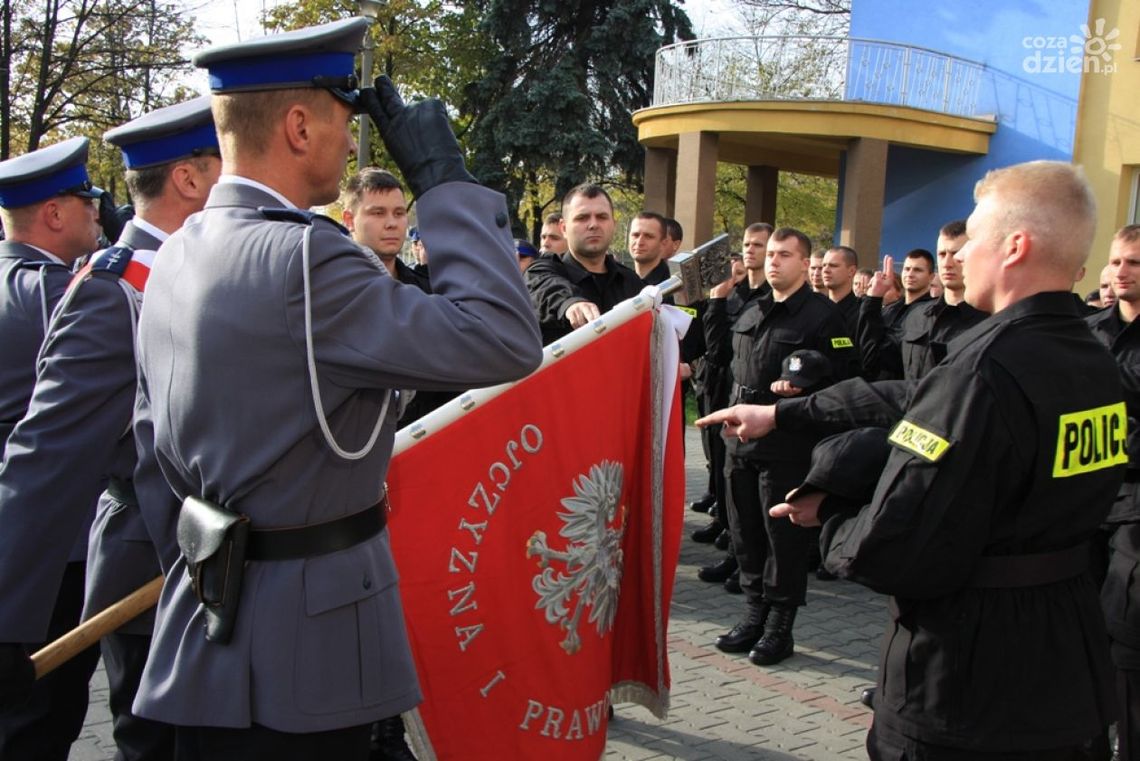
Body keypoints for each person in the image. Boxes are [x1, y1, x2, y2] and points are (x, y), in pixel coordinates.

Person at [129, 19, 542, 760]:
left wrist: (208, 575)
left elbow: (147, 443)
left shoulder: (178, 250)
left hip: (204, 622)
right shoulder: (308, 259)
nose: (353, 137)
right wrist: (444, 176)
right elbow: (505, 337)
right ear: (297, 125)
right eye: (344, 118)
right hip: (309, 650)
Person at [700, 160, 1122, 759]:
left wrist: (833, 517)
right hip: (1064, 657)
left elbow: (892, 547)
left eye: (973, 237)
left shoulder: (984, 371)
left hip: (967, 676)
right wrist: (784, 415)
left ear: (1014, 247)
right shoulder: (1093, 358)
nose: (961, 253)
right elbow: (910, 396)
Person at [703, 226, 855, 666]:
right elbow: (730, 364)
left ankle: (780, 625)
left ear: (805, 264)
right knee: (745, 532)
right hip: (740, 440)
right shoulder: (751, 309)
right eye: (770, 254)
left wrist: (804, 389)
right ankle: (753, 613)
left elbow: (844, 377)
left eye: (785, 254)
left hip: (787, 443)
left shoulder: (824, 317)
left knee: (781, 539)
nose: (773, 261)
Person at [0, 137, 103, 761]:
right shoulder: (58, 294)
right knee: (41, 724)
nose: (99, 212)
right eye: (86, 201)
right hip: (52, 552)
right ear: (55, 214)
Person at [1089, 224, 1140, 761]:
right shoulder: (1088, 332)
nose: (1121, 272)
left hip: (1135, 514)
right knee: (1082, 632)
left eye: (1134, 264)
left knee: (1126, 640)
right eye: (1117, 261)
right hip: (1085, 508)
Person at [524, 183, 642, 343]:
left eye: (602, 217)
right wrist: (570, 303)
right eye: (582, 218)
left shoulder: (632, 284)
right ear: (564, 228)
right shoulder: (542, 272)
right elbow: (544, 289)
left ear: (613, 224)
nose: (593, 224)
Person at [896, 221, 987, 381]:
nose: (947, 263)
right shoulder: (917, 316)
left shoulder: (990, 321)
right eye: (942, 254)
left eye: (957, 254)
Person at [858, 249, 937, 379]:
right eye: (907, 269)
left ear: (931, 277)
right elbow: (867, 350)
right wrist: (873, 298)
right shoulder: (889, 310)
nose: (910, 274)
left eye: (918, 270)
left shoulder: (932, 312)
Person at [821, 245, 860, 337]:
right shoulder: (815, 307)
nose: (825, 270)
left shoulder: (861, 313)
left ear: (851, 271)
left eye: (833, 266)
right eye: (824, 265)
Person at [628, 210, 671, 282]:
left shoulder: (673, 286)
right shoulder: (620, 282)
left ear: (663, 243)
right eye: (635, 235)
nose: (639, 242)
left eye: (648, 236)